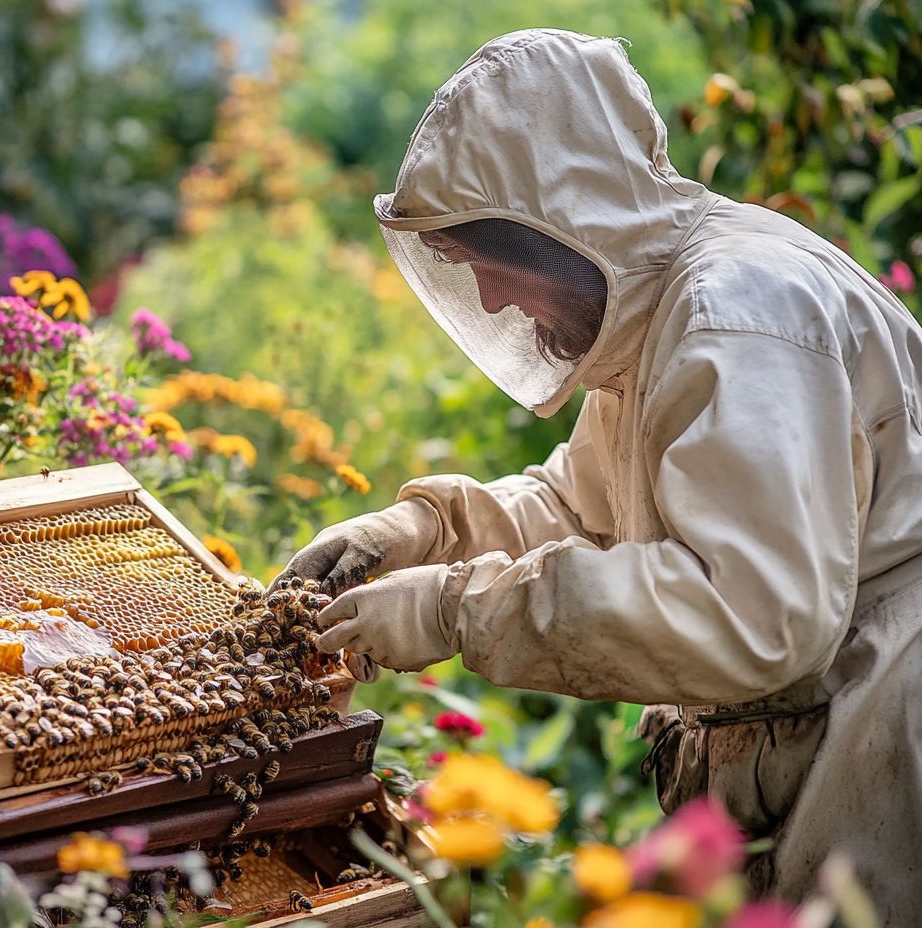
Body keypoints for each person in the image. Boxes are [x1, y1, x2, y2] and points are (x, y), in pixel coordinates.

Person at [274, 28, 922, 922]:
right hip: (823, 732)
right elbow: (586, 506)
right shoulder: (661, 307)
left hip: (881, 740)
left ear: (557, 231)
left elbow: (752, 616)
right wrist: (426, 529)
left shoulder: (737, 313)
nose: (494, 302)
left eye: (491, 266)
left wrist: (454, 607)